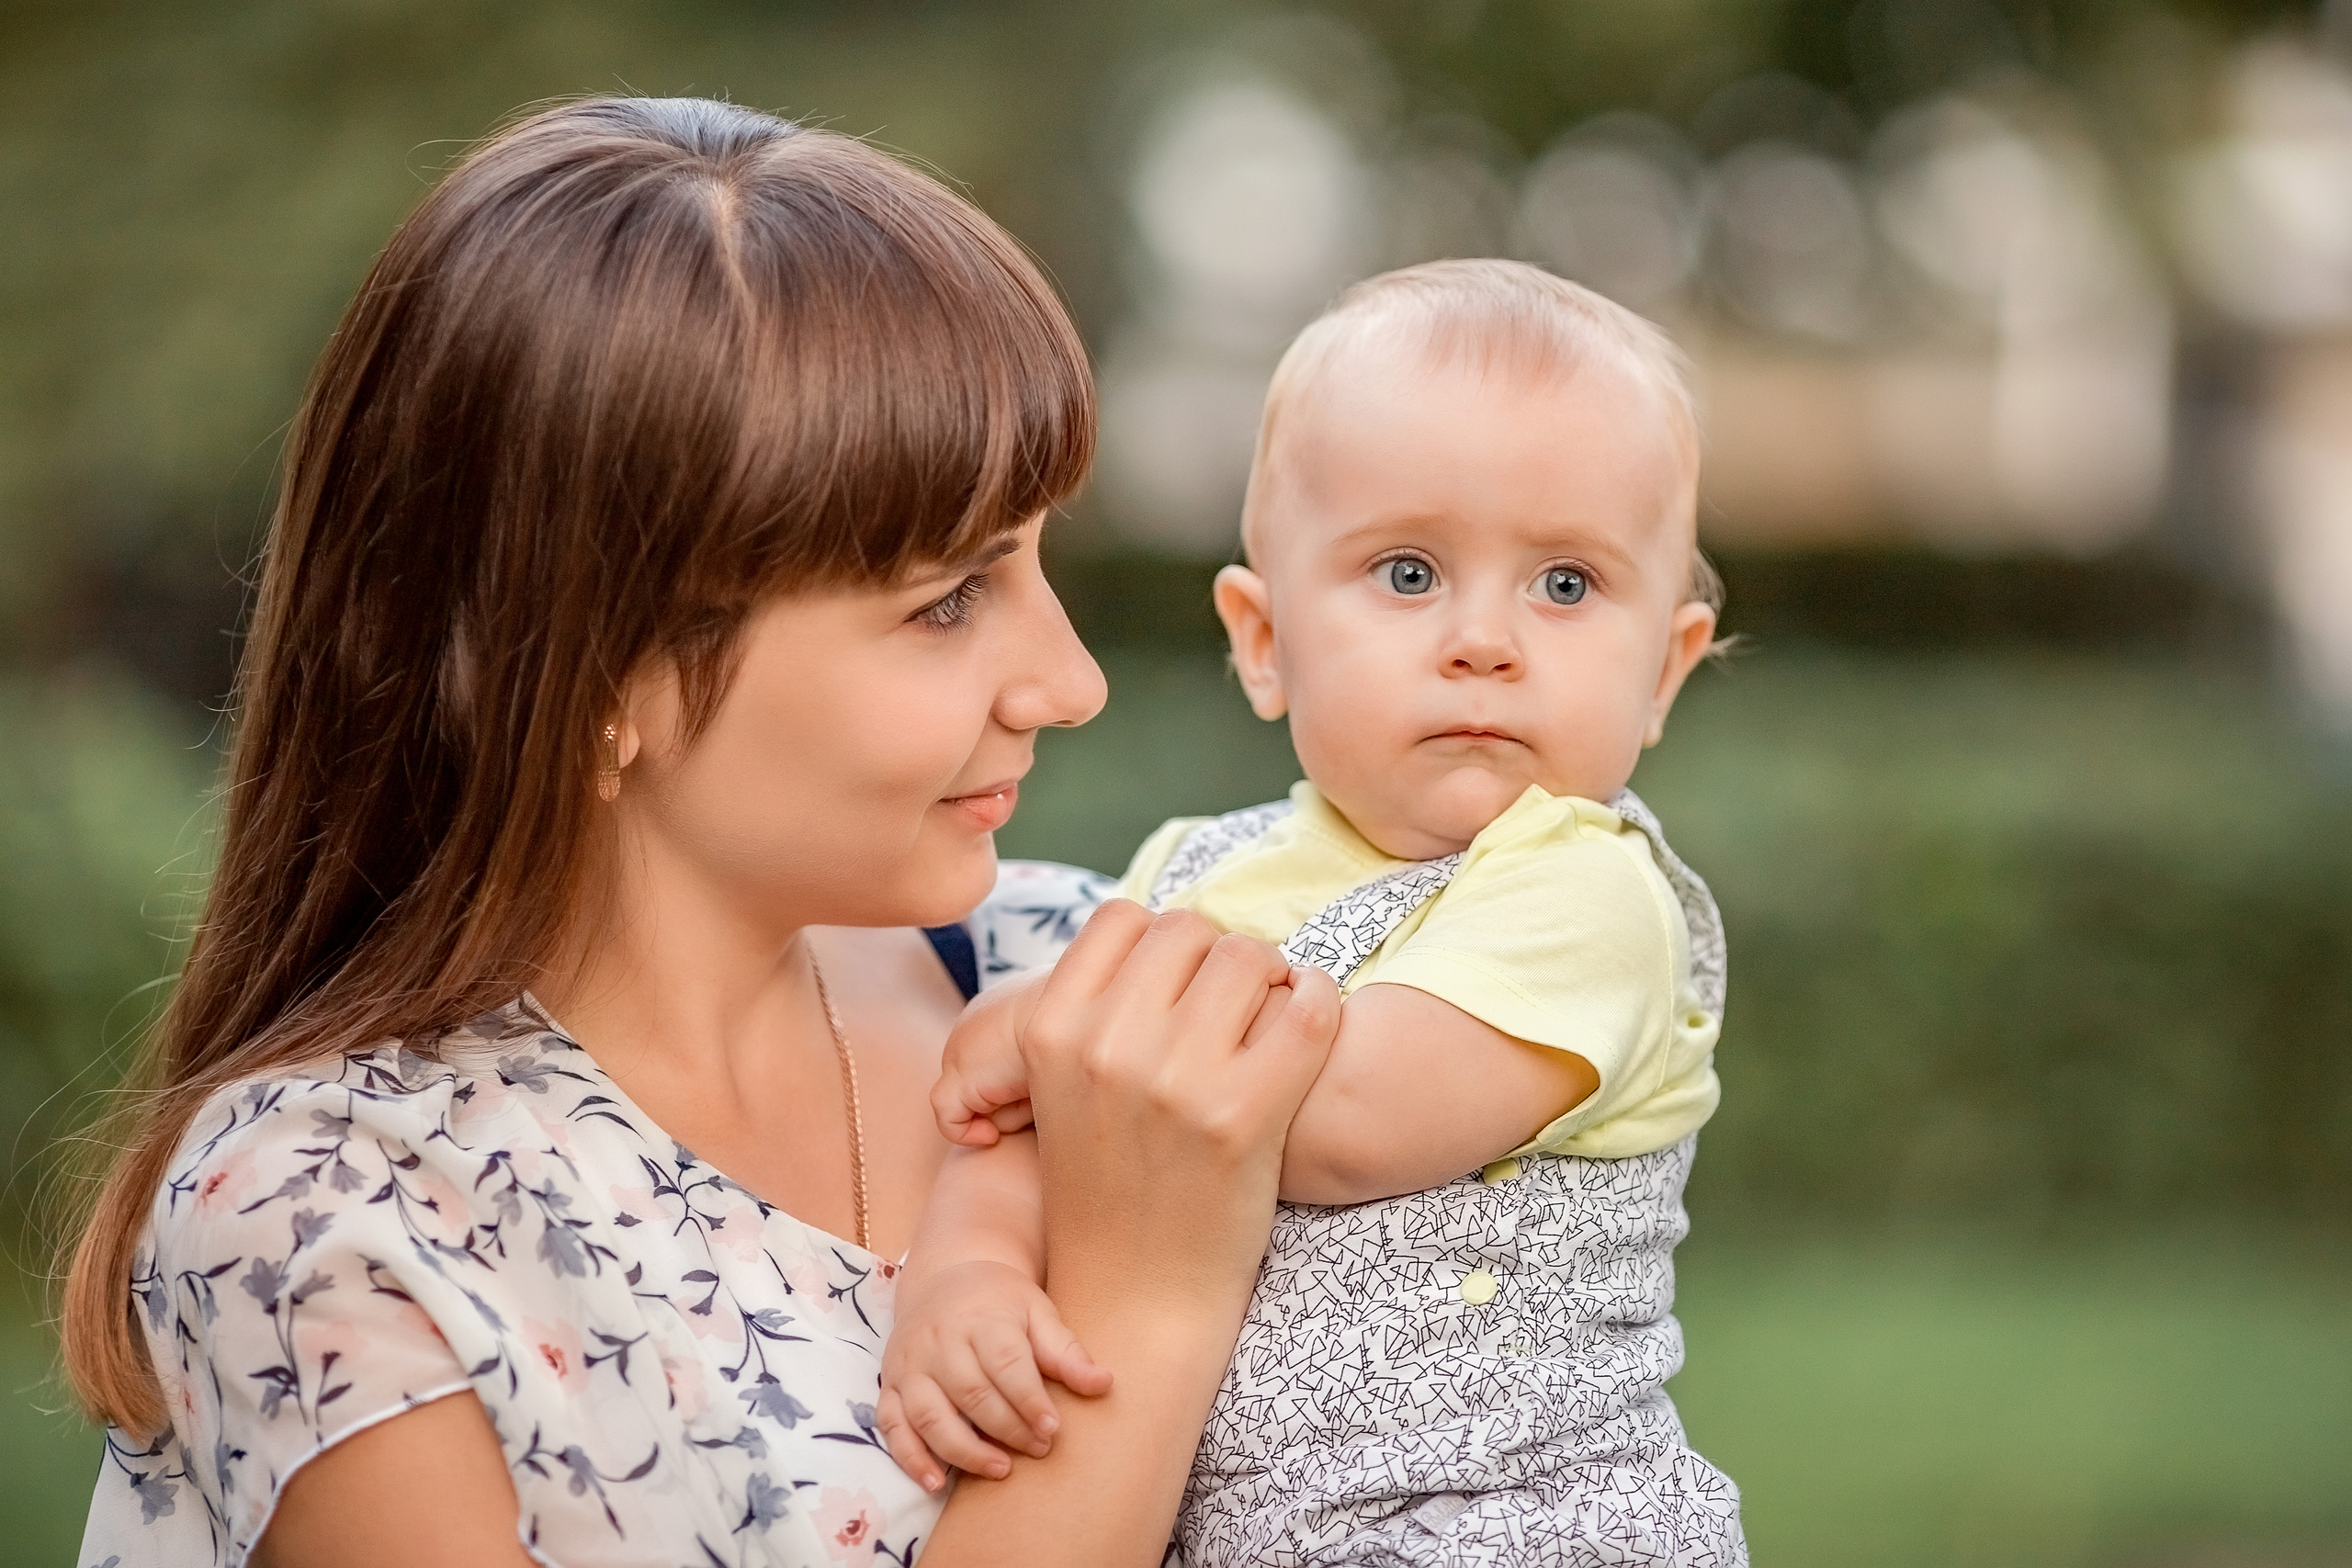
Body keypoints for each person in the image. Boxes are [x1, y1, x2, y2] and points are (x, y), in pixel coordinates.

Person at [60, 96, 1340, 1568]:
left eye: (1039, 560)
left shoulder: (1087, 986)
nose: (1072, 680)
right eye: (945, 601)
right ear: (611, 676)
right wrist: (1146, 1304)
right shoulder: (340, 1220)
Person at [887, 260, 1747, 1564]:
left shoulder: (1586, 889)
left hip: (1516, 1527)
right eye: (1408, 574)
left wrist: (1048, 1030)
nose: (1483, 639)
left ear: (1664, 673)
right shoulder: (1192, 870)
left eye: (1566, 585)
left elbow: (1355, 1118)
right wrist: (973, 1275)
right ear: (1264, 639)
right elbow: (1032, 1125)